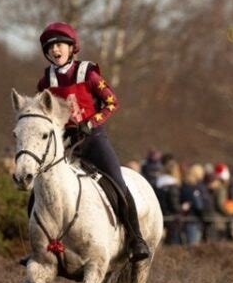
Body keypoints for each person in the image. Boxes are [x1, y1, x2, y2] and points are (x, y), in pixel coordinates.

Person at [36, 21, 149, 261]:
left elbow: (112, 103)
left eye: (59, 45)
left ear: (71, 48)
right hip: (65, 142)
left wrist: (91, 123)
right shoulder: (45, 82)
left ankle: (135, 238)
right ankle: (39, 244)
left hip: (93, 138)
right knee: (44, 185)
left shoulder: (87, 72)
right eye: (50, 47)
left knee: (117, 181)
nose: (55, 50)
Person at [156, 159, 182, 244]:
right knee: (172, 243)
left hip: (160, 216)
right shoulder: (173, 185)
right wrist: (181, 208)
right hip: (172, 218)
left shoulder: (158, 184)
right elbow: (174, 204)